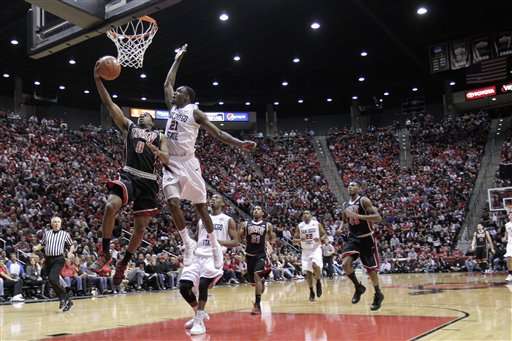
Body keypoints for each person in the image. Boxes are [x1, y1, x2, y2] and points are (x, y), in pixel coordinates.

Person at [162, 44, 256, 269]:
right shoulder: (173, 109)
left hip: (189, 162)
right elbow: (167, 84)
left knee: (201, 208)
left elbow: (219, 133)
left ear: (189, 97)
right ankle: (187, 243)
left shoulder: (195, 112)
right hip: (171, 162)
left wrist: (239, 143)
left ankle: (214, 245)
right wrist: (177, 59)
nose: (175, 93)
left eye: (180, 91)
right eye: (177, 91)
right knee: (172, 202)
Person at [93, 61, 169, 287]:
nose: (142, 116)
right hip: (129, 174)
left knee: (141, 228)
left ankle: (124, 262)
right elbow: (109, 104)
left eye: (146, 115)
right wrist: (98, 80)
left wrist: (158, 152)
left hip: (149, 181)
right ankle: (105, 251)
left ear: (152, 121)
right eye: (140, 115)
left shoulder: (160, 135)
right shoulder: (130, 128)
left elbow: (166, 159)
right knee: (109, 206)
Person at [179, 194, 239, 335]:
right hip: (197, 256)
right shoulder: (202, 220)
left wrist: (217, 242)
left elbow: (236, 241)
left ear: (223, 203)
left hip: (213, 257)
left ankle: (199, 321)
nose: (213, 199)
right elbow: (196, 238)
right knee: (183, 286)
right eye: (211, 197)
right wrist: (188, 245)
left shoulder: (227, 220)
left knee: (203, 284)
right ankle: (198, 314)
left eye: (217, 198)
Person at [341, 181, 384, 311]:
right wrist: (340, 227)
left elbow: (378, 218)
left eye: (353, 185)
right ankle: (358, 287)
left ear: (359, 188)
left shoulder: (364, 200)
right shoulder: (345, 204)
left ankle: (378, 294)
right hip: (353, 238)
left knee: (371, 270)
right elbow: (344, 220)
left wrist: (359, 216)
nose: (350, 187)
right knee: (344, 264)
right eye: (349, 185)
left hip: (366, 238)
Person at [33, 216, 74, 311]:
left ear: (61, 224)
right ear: (51, 224)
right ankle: (66, 299)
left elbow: (71, 245)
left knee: (52, 278)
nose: (56, 224)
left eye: (58, 222)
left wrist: (70, 252)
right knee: (51, 280)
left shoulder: (65, 234)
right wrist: (36, 247)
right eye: (54, 222)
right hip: (48, 259)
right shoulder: (47, 234)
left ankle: (64, 298)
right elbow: (42, 244)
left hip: (58, 259)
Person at [239, 206, 275, 315]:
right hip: (249, 255)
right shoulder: (245, 224)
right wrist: (240, 245)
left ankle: (257, 305)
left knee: (256, 275)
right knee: (253, 282)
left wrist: (270, 246)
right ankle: (261, 282)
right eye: (254, 209)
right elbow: (239, 237)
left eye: (258, 209)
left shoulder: (267, 225)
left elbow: (272, 238)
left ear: (263, 213)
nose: (255, 210)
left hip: (261, 254)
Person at [294, 211, 326, 302]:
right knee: (308, 272)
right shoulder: (300, 226)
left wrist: (320, 239)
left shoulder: (316, 224)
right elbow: (294, 240)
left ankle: (318, 281)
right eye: (304, 213)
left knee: (315, 265)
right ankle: (311, 291)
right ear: (302, 217)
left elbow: (324, 235)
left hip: (315, 249)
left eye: (307, 213)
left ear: (311, 215)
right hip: (305, 251)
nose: (305, 214)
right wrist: (300, 239)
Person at [504, 213, 512, 282]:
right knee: (509, 258)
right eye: (510, 215)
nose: (511, 216)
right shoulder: (507, 225)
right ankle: (510, 274)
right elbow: (506, 235)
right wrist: (504, 238)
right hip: (510, 244)